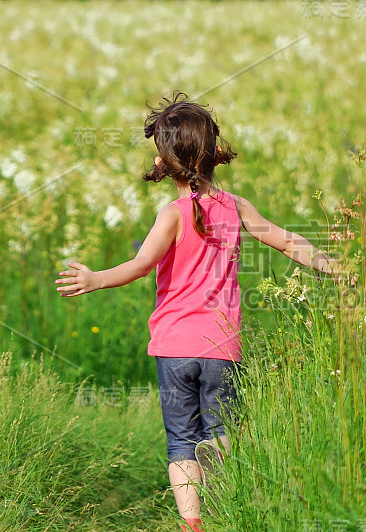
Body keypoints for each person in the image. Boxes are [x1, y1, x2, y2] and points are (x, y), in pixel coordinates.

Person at [54, 92, 344, 532]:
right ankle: (228, 492)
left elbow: (140, 264)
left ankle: (194, 523)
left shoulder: (171, 215)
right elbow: (286, 241)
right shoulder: (237, 206)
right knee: (219, 432)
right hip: (221, 347)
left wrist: (95, 279)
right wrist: (331, 265)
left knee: (181, 443)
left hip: (174, 348)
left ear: (166, 160)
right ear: (212, 152)